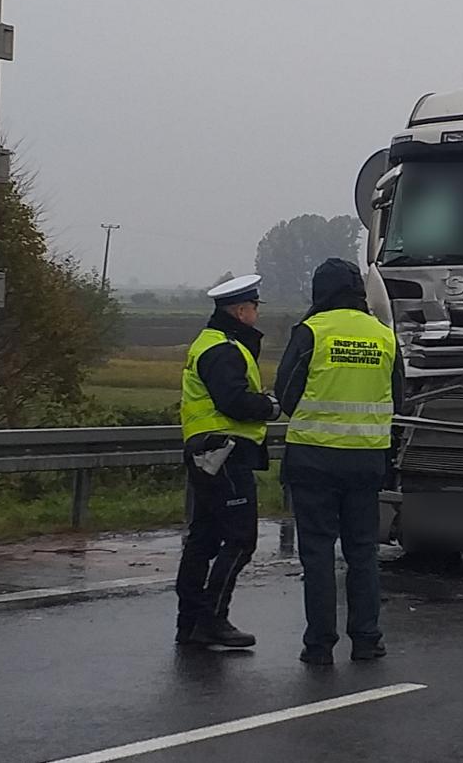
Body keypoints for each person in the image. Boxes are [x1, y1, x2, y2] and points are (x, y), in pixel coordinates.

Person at [275, 259, 403, 665]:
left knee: (317, 554)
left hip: (313, 458)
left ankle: (319, 645)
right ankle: (366, 640)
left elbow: (286, 393)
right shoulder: (384, 336)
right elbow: (398, 399)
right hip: (366, 460)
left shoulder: (311, 332)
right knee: (362, 552)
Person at [175, 274, 280, 649]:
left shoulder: (211, 342)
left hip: (208, 454)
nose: (256, 314)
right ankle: (213, 618)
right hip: (225, 454)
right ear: (240, 311)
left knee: (203, 538)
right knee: (240, 539)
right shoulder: (224, 349)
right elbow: (233, 401)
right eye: (253, 307)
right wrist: (268, 406)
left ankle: (189, 622)